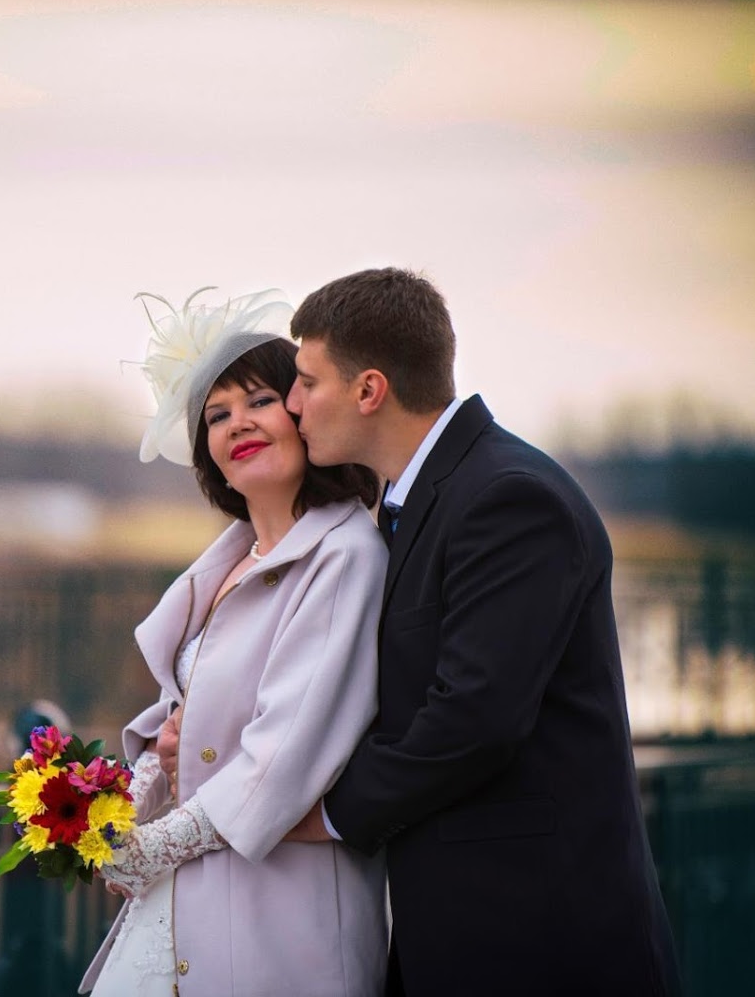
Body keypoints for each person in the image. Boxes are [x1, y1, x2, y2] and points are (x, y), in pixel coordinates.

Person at [270, 267, 682, 995]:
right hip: (462, 933)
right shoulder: (416, 503)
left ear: (370, 390)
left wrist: (328, 811)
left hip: (543, 941)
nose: (293, 403)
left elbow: (475, 717)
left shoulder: (508, 499)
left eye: (307, 380)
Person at [79, 289, 390, 996]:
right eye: (216, 416)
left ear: (302, 414)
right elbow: (178, 728)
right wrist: (122, 811)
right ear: (209, 457)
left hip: (280, 914)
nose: (237, 423)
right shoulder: (228, 563)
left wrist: (149, 849)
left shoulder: (345, 557)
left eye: (258, 400)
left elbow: (282, 753)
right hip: (188, 908)